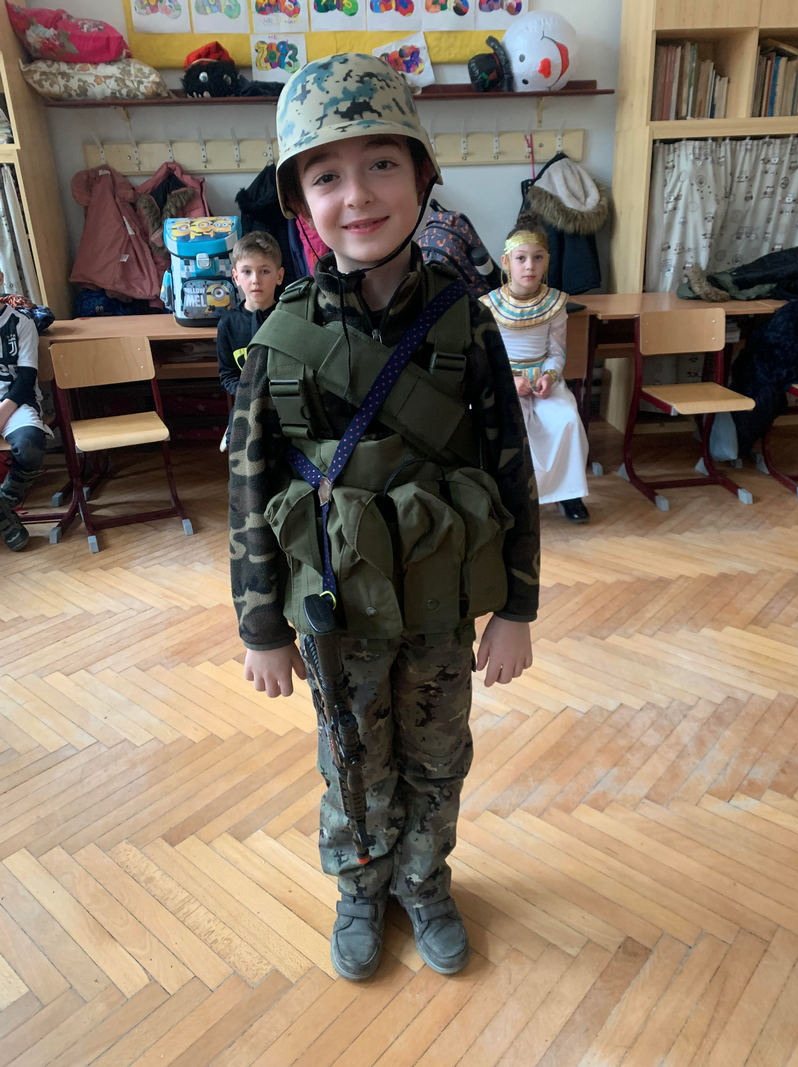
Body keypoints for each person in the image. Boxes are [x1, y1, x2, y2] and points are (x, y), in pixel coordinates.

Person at [228, 53, 540, 982]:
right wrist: (261, 626)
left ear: (422, 173)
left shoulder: (467, 322)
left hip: (440, 606)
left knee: (439, 753)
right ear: (300, 202)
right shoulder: (279, 336)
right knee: (352, 755)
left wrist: (517, 607)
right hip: (337, 609)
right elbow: (248, 488)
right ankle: (360, 886)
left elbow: (512, 471)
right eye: (326, 175)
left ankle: (424, 880)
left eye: (381, 164)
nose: (357, 195)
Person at [481, 217, 590, 523]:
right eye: (521, 258)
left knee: (566, 420)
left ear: (547, 261)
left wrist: (549, 377)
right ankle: (509, 497)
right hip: (505, 382)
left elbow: (556, 352)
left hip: (543, 381)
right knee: (511, 426)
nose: (529, 266)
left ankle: (568, 493)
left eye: (537, 258)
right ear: (506, 262)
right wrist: (509, 381)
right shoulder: (489, 305)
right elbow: (485, 356)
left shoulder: (555, 303)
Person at [216, 230, 284, 450]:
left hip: (285, 403)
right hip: (248, 403)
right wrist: (249, 393)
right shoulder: (228, 324)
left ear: (279, 276)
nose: (255, 280)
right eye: (247, 272)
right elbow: (227, 374)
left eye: (264, 271)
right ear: (236, 277)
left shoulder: (290, 318)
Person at [0, 272, 50, 552]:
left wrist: (2, 413)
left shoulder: (21, 322)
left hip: (16, 400)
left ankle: (5, 501)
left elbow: (26, 377)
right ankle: (4, 515)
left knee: (30, 444)